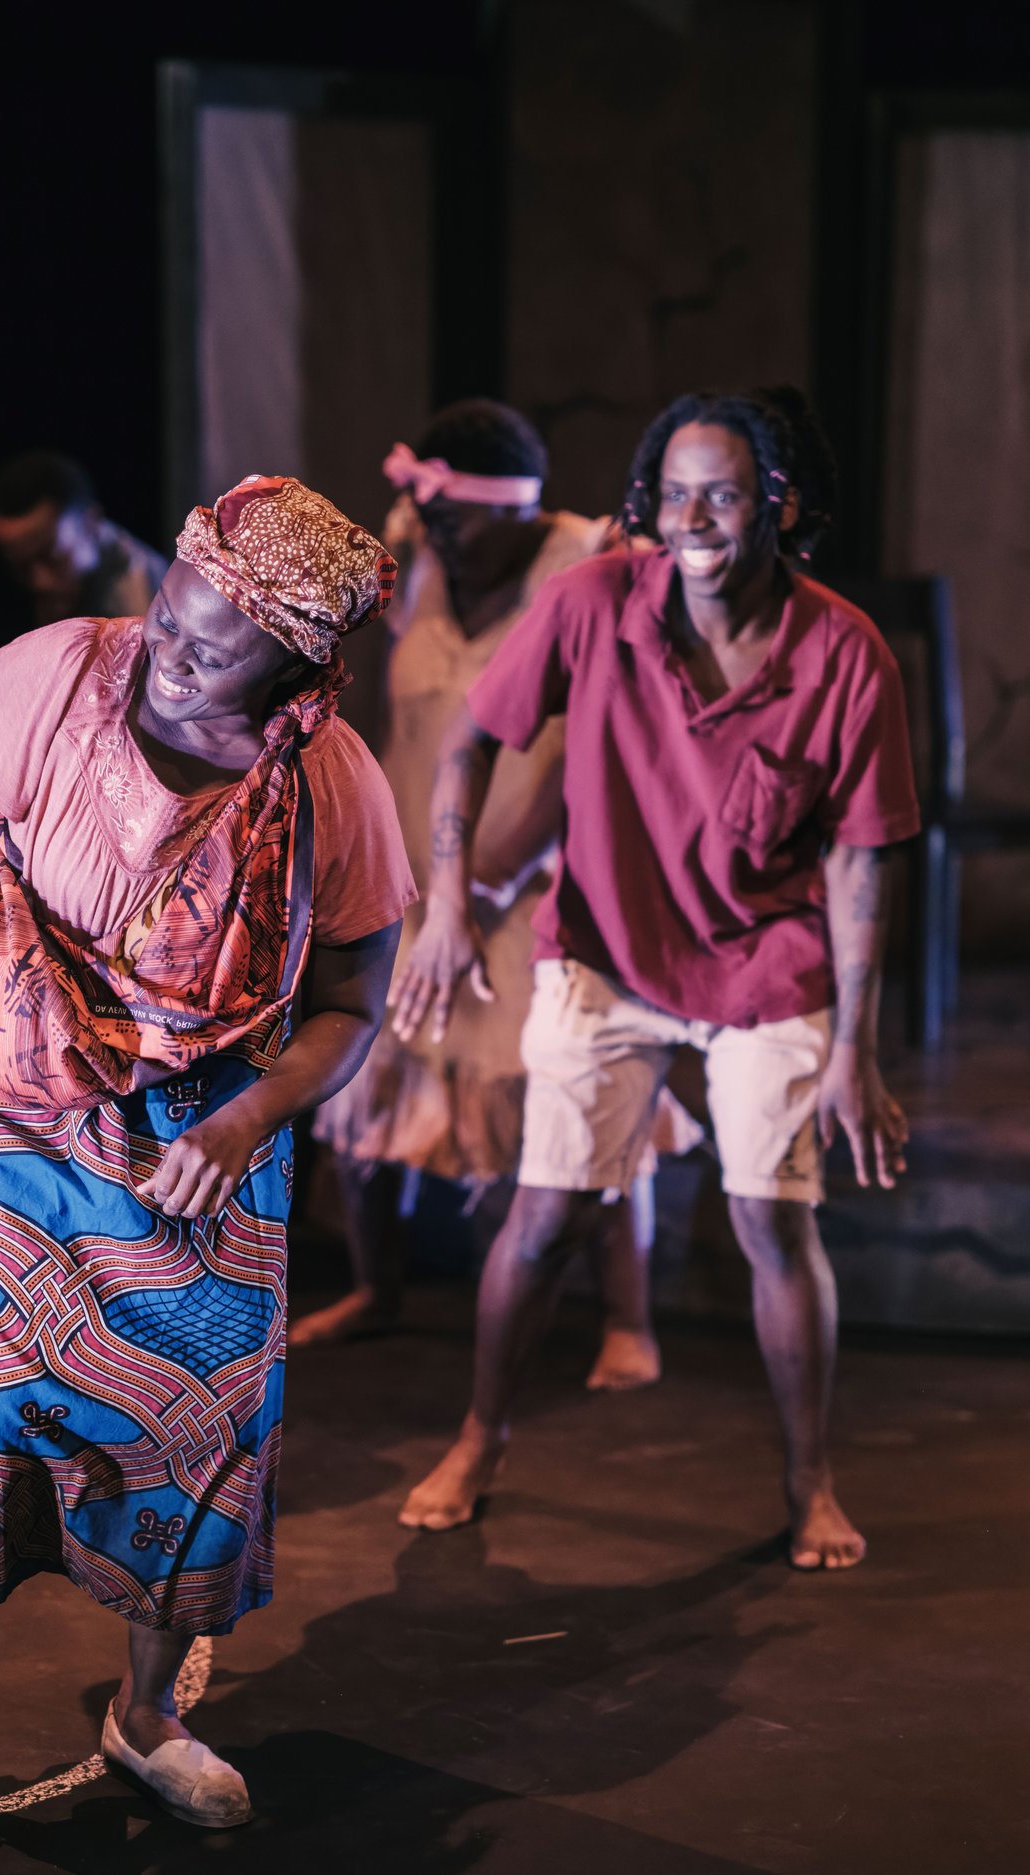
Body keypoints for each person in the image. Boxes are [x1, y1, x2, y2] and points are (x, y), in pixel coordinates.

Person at [0, 475, 411, 1858]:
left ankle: (146, 1710)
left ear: (298, 667)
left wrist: (250, 1121)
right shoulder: (56, 671)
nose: (172, 653)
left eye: (217, 647)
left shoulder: (330, 782)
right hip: (3, 1097)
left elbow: (358, 996)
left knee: (197, 1434)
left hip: (202, 1137)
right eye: (174, 615)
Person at [388, 388, 918, 1569]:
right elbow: (473, 739)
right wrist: (442, 909)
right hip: (606, 947)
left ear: (776, 505)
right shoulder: (591, 605)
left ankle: (809, 1479)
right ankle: (481, 1435)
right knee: (546, 1215)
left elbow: (862, 855)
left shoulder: (842, 651)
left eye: (720, 493)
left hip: (765, 963)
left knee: (772, 1223)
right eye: (672, 493)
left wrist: (855, 1048)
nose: (692, 517)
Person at [299, 401, 699, 1377]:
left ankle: (627, 1319)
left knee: (570, 1083)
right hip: (411, 867)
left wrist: (483, 884)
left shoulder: (586, 565)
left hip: (538, 877)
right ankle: (375, 1287)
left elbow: (582, 748)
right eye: (431, 520)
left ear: (518, 509)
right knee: (369, 1063)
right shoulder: (421, 557)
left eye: (459, 520)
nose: (443, 538)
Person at [0, 448, 168, 625]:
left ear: (91, 524)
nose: (39, 581)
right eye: (21, 567)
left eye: (52, 557)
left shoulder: (142, 594)